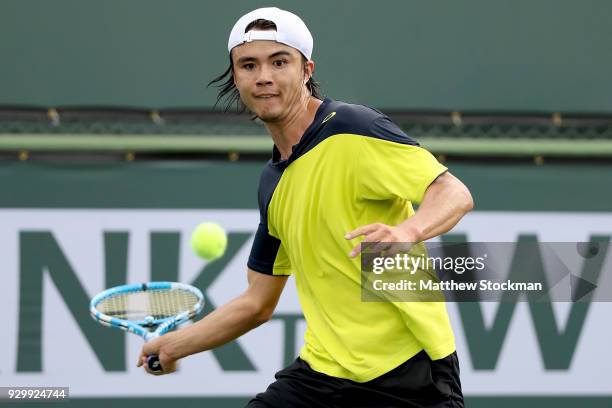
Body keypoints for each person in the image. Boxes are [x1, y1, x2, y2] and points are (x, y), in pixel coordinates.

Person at [138, 7, 473, 407]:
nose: (263, 76)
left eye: (279, 62)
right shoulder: (272, 183)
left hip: (410, 373)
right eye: (249, 65)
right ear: (236, 77)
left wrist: (408, 231)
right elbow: (257, 303)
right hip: (322, 375)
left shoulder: (354, 129)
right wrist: (176, 345)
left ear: (306, 70)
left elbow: (453, 193)